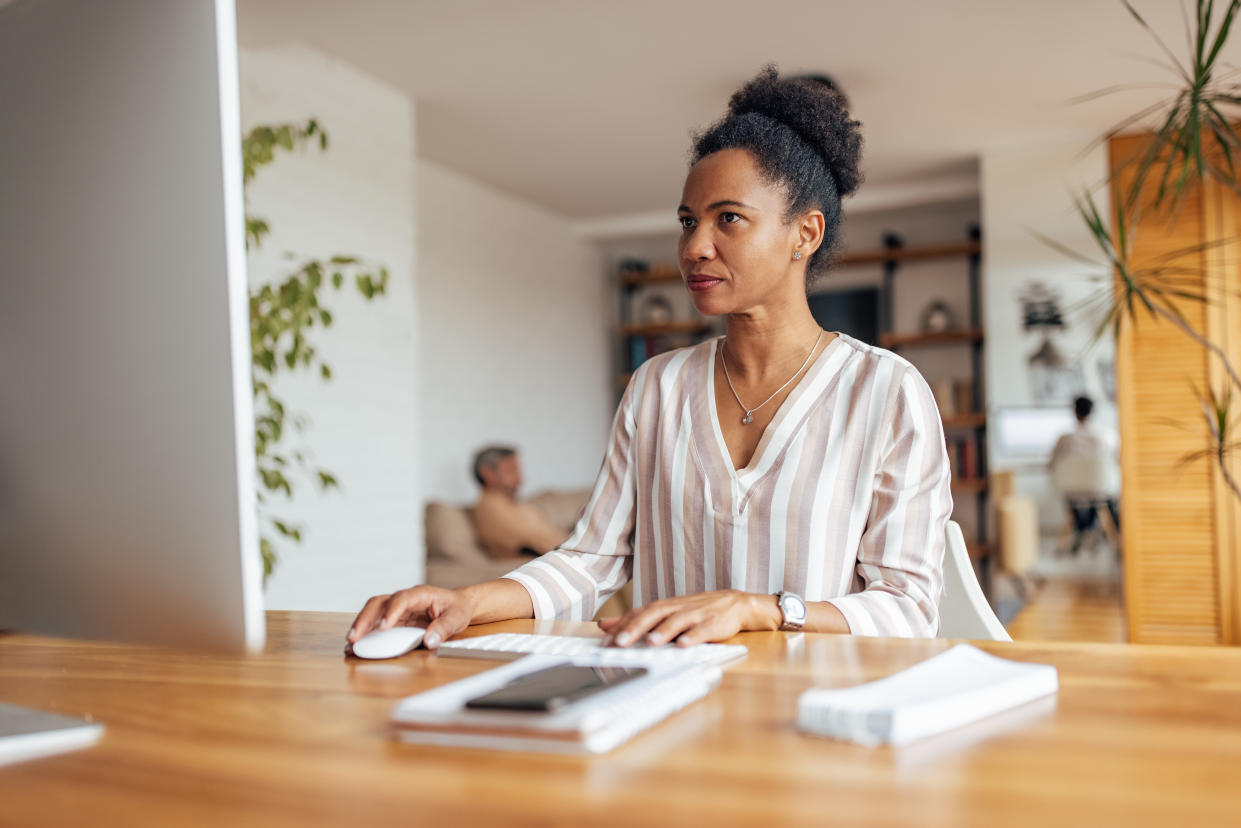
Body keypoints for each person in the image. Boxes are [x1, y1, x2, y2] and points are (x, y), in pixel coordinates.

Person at [348, 66, 952, 651]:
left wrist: (760, 609)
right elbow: (593, 559)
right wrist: (469, 601)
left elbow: (908, 608)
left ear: (806, 233)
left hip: (811, 721)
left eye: (729, 220)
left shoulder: (887, 392)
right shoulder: (658, 387)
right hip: (663, 705)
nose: (694, 247)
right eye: (688, 221)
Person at [470, 445, 571, 559]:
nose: (520, 480)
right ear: (487, 474)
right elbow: (535, 543)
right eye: (511, 471)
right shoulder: (491, 510)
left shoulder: (515, 506)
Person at [1048, 396, 1120, 550]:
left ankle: (1082, 530)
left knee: (1078, 501)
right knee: (1103, 502)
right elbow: (1117, 460)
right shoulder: (1107, 436)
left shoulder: (1064, 439)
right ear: (1093, 412)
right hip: (1102, 490)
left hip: (1071, 491)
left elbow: (1051, 463)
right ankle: (1098, 533)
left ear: (1074, 412)